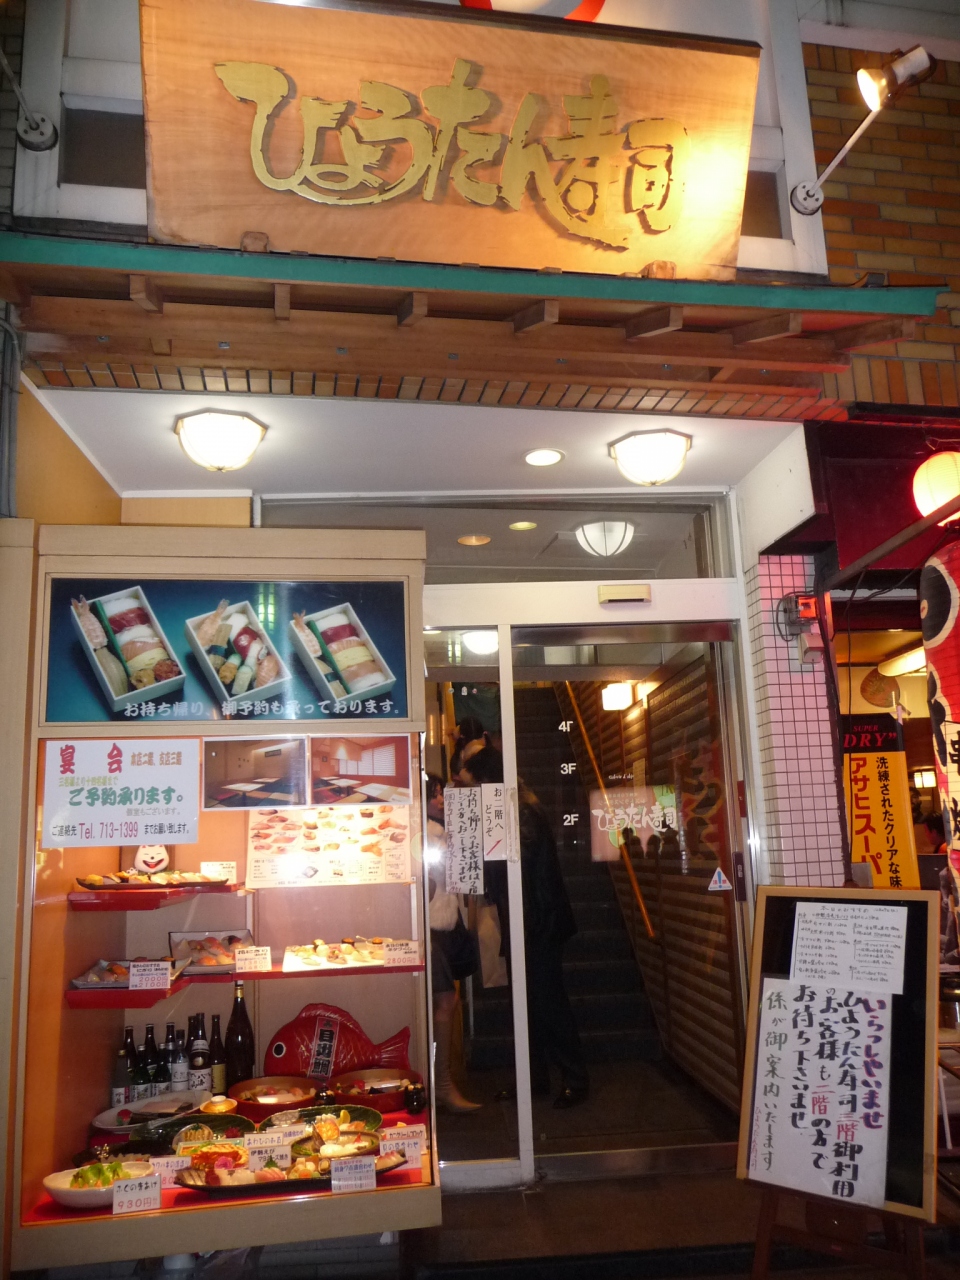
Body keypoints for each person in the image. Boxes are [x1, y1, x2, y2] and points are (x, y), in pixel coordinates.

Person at [460, 747, 589, 1109]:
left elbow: (518, 868)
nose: (471, 794)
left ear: (489, 783)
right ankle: (534, 1078)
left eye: (473, 786)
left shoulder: (520, 813)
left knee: (547, 1002)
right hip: (527, 922)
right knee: (526, 1004)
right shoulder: (511, 810)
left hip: (539, 923)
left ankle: (575, 1078)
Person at [425, 774, 481, 1114]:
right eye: (436, 795)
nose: (442, 800)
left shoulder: (439, 832)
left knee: (444, 1001)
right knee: (445, 1000)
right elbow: (447, 876)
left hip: (442, 926)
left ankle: (439, 1083)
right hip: (431, 928)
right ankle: (442, 1085)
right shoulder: (429, 835)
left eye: (442, 794)